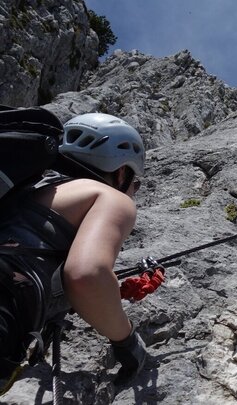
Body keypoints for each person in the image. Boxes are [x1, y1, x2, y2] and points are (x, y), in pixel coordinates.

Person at [1, 113, 148, 390]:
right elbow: (86, 275)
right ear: (120, 172)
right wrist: (127, 341)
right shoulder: (110, 197)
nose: (133, 192)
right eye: (135, 183)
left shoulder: (22, 190)